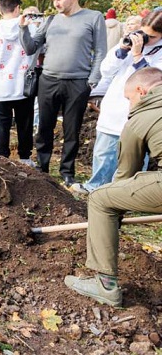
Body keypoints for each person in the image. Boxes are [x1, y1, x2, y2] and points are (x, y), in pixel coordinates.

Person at [64, 67, 162, 307]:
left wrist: (113, 215)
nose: (130, 105)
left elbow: (125, 175)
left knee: (99, 198)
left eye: (129, 99)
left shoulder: (142, 117)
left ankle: (105, 285)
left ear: (141, 90)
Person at [19, 0, 106, 188]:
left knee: (72, 129)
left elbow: (101, 51)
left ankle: (67, 172)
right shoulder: (50, 21)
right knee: (44, 128)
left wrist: (92, 80)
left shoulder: (94, 18)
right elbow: (31, 48)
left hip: (78, 82)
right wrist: (23, 29)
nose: (56, 3)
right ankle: (42, 168)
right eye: (54, 0)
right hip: (48, 80)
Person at [70, 10, 162, 195]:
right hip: (114, 108)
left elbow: (152, 82)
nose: (146, 39)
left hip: (139, 114)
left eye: (151, 37)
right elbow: (106, 69)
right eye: (144, 33)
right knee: (103, 153)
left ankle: (129, 195)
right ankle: (96, 187)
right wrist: (121, 51)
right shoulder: (131, 43)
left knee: (133, 158)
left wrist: (137, 56)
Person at [0, 0, 35, 166]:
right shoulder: (30, 29)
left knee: (2, 125)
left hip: (1, 87)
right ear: (18, 8)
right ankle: (25, 157)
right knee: (24, 123)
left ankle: (2, 159)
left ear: (0, 10)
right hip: (23, 86)